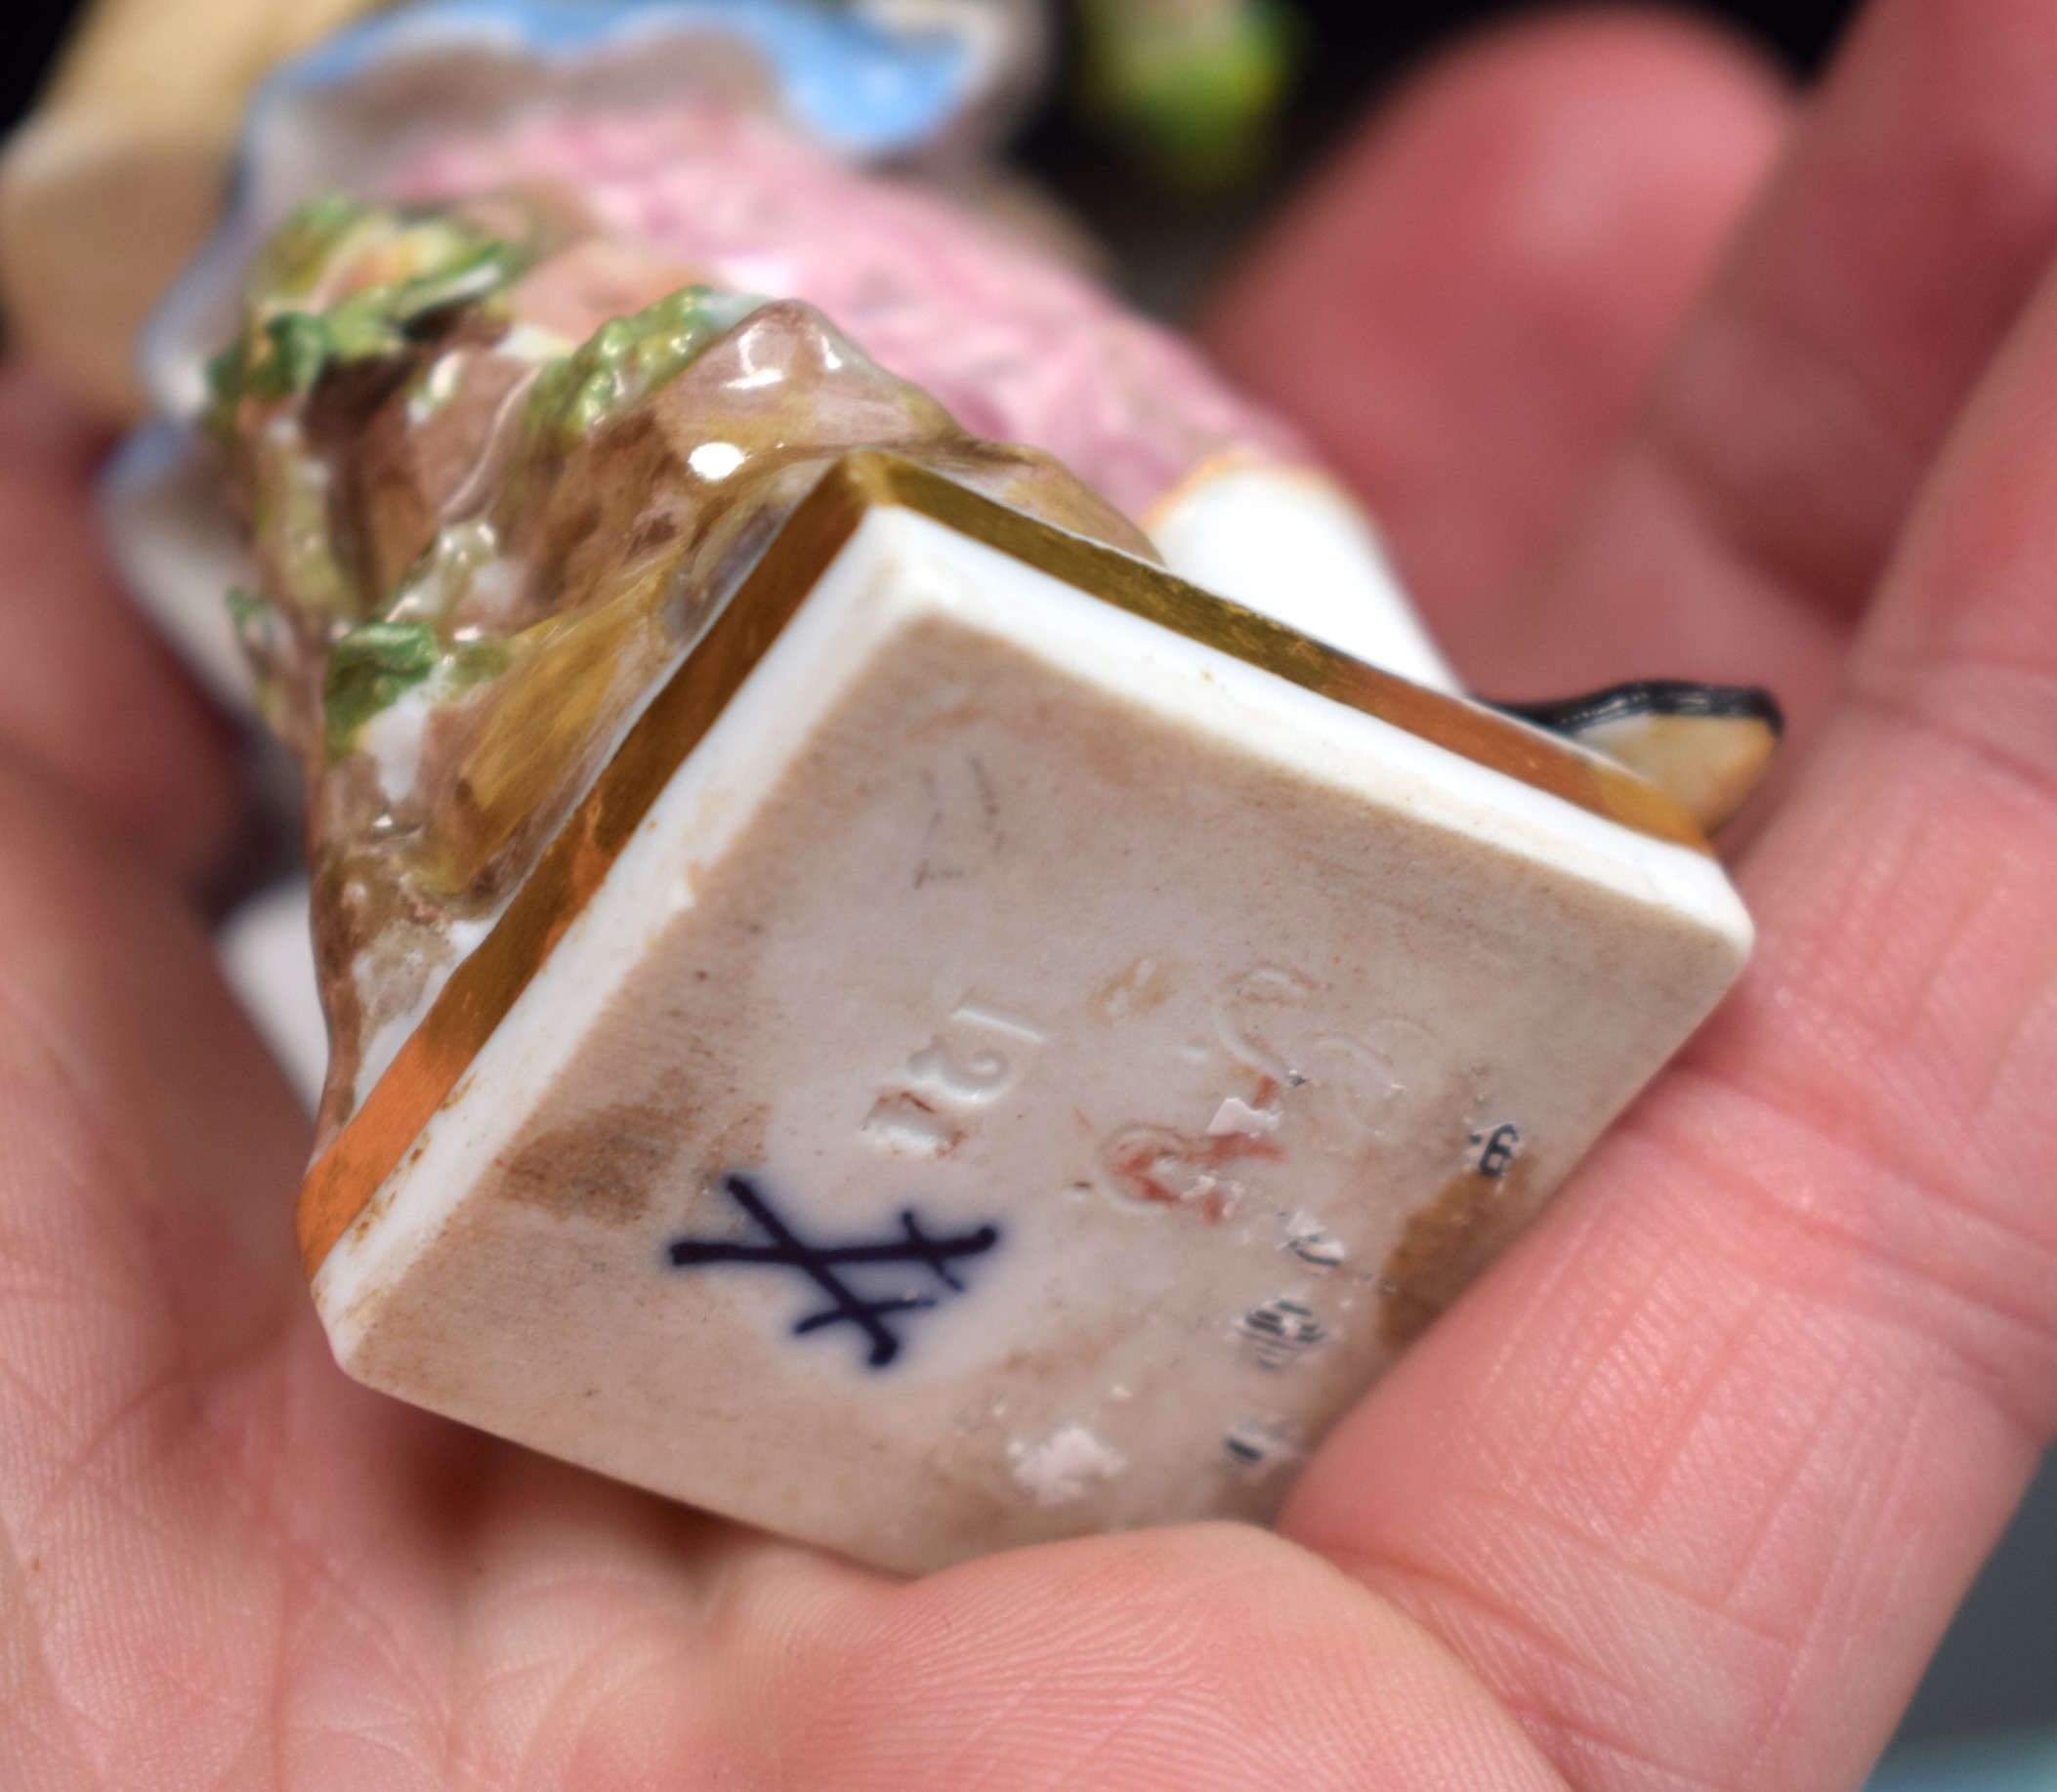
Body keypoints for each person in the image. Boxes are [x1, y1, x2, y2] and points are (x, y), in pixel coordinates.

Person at [0, 0, 2049, 1782]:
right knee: (775, 529)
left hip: (864, 490)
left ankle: (1436, 740)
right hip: (635, 549)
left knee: (1101, 448)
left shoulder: (699, 173)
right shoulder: (422, 262)